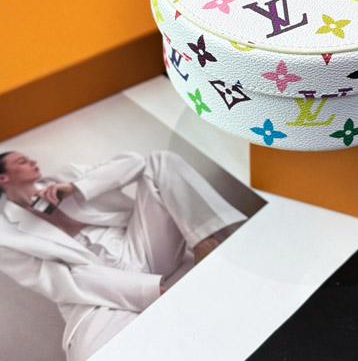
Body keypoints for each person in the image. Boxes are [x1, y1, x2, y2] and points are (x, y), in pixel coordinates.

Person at [0, 149, 247, 360]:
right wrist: (142, 290)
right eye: (22, 162)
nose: (33, 162)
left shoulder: (67, 176)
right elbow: (56, 280)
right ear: (3, 178)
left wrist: (75, 188)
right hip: (99, 285)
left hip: (137, 245)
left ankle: (204, 242)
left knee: (160, 159)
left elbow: (135, 162)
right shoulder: (5, 236)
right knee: (93, 351)